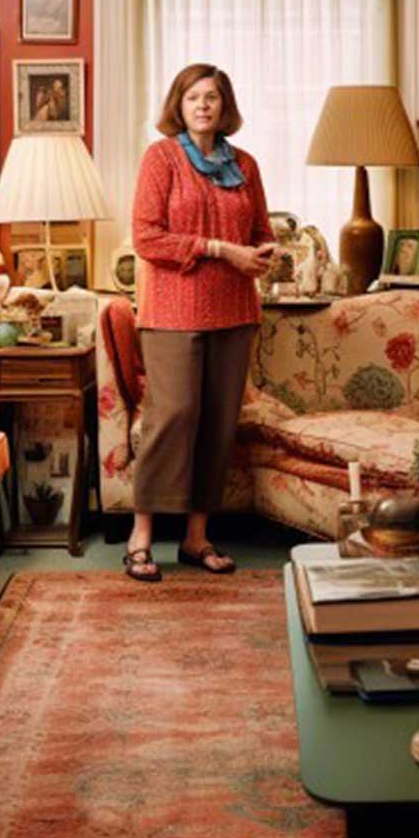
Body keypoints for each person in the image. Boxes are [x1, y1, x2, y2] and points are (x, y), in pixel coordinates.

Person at [124, 63, 276, 581]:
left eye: (212, 97)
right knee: (175, 415)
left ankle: (196, 538)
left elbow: (259, 230)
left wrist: (263, 253)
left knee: (217, 422)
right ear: (179, 105)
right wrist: (218, 248)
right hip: (172, 311)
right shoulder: (161, 157)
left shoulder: (247, 165)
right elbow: (146, 237)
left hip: (235, 310)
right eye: (193, 98)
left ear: (224, 106)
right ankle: (140, 536)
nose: (203, 106)